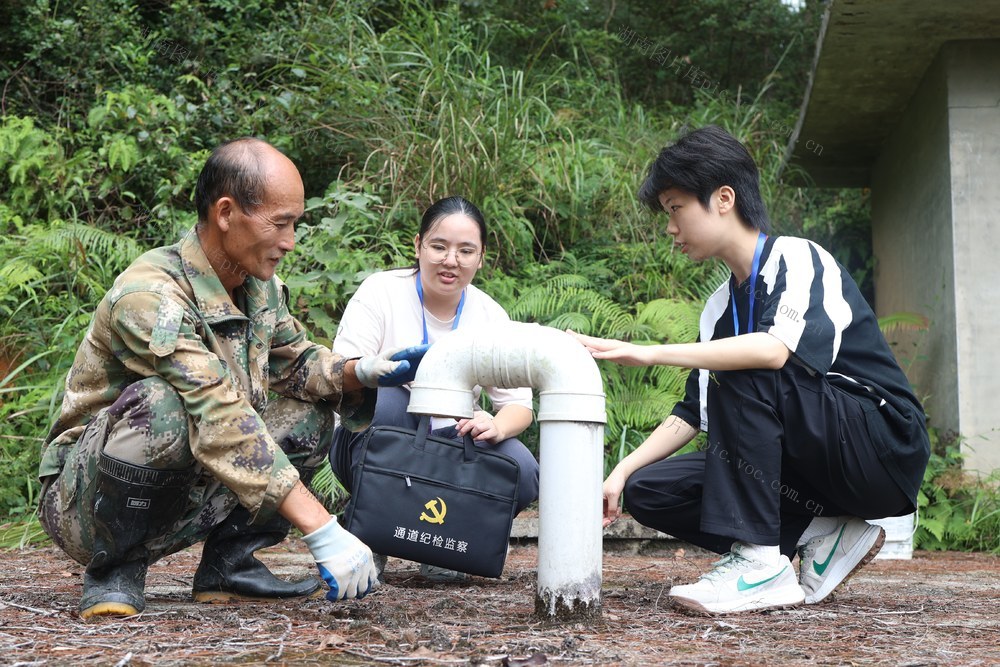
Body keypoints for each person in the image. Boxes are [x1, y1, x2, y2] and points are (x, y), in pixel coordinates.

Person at [38, 138, 429, 619]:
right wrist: (322, 528)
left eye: (295, 224)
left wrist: (358, 372)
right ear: (226, 213)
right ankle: (115, 566)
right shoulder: (151, 295)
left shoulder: (259, 287)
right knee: (161, 404)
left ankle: (229, 564)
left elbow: (296, 364)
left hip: (193, 485)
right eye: (280, 223)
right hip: (86, 501)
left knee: (308, 411)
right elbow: (218, 411)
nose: (289, 241)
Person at [571, 125, 930, 614]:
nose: (670, 228)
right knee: (651, 490)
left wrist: (647, 351)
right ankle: (821, 533)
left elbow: (772, 354)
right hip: (812, 468)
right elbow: (692, 414)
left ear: (723, 198)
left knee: (745, 362)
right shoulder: (718, 309)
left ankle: (760, 563)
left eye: (676, 209)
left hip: (880, 449)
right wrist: (622, 471)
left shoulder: (798, 258)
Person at [329, 196, 539, 581]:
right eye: (439, 246)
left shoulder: (490, 315)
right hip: (382, 438)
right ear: (418, 246)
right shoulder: (381, 292)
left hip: (451, 440)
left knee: (522, 468)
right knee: (387, 402)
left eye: (465, 250)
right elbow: (341, 376)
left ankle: (446, 539)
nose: (451, 260)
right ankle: (367, 533)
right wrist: (378, 373)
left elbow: (519, 406)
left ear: (480, 257)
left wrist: (496, 425)